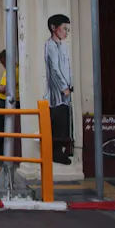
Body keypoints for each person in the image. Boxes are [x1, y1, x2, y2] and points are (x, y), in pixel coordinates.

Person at [45, 14, 75, 165]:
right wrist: (65, 88)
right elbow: (55, 70)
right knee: (58, 122)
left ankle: (61, 151)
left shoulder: (63, 46)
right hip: (58, 94)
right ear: (53, 28)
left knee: (64, 123)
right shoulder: (50, 45)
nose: (66, 32)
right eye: (64, 28)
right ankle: (56, 153)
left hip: (66, 92)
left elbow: (67, 68)